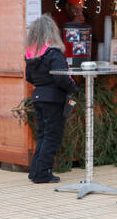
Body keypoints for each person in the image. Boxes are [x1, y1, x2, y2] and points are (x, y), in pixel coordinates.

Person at [25, 14, 79, 184]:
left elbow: (29, 77)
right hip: (54, 98)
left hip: (39, 97)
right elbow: (61, 77)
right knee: (52, 136)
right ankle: (43, 172)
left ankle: (35, 170)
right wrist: (74, 89)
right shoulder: (53, 53)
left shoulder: (31, 55)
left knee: (43, 135)